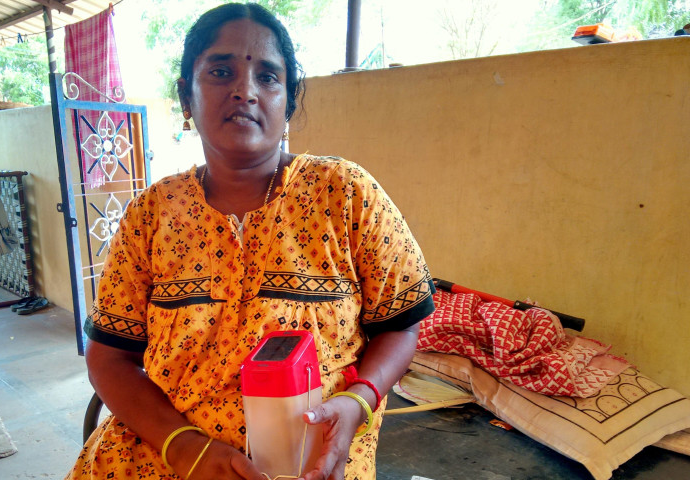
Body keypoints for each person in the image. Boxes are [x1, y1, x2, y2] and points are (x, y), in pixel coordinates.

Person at [65, 3, 435, 480]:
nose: (244, 91)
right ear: (186, 95)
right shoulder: (150, 214)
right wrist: (185, 448)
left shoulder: (345, 195)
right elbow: (109, 357)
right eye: (221, 72)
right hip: (159, 454)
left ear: (289, 102)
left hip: (312, 460)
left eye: (268, 76)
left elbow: (401, 328)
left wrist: (357, 401)